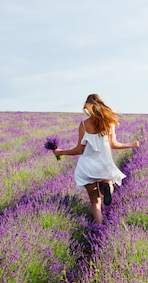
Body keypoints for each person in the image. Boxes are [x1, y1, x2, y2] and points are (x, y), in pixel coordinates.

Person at [53, 94, 139, 224]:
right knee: (108, 184)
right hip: (104, 164)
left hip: (87, 166)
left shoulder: (83, 124)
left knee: (95, 201)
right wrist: (130, 145)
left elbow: (79, 150)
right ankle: (107, 188)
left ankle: (99, 226)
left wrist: (62, 152)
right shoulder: (108, 123)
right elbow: (114, 144)